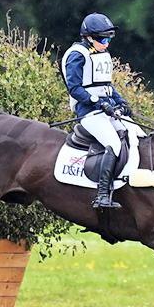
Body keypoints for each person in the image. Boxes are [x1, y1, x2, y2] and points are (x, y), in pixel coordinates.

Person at [61, 12, 132, 209]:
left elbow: (107, 85)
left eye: (109, 39)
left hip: (106, 110)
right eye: (103, 39)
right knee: (113, 144)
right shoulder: (76, 55)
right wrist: (98, 103)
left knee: (135, 134)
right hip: (88, 112)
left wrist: (121, 102)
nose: (106, 43)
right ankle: (101, 195)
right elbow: (75, 89)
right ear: (89, 37)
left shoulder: (100, 54)